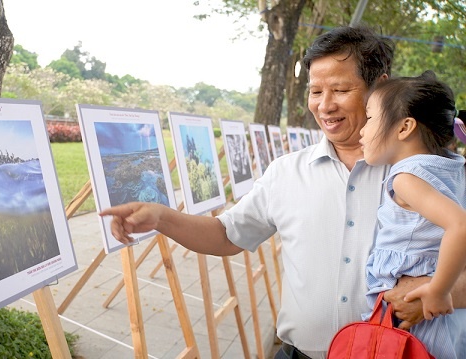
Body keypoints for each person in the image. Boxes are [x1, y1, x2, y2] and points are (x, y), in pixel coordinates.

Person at [100, 25, 466, 359]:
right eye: (316, 91)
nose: (325, 105)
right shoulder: (287, 173)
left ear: (380, 88)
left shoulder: (430, 176)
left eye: (340, 90)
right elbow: (227, 235)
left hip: (397, 352)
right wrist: (162, 217)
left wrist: (442, 294)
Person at [359, 71, 466, 358]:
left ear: (405, 127)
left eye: (370, 118)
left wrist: (438, 290)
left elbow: (460, 226)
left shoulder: (406, 177)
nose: (362, 130)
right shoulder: (452, 168)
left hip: (420, 312)